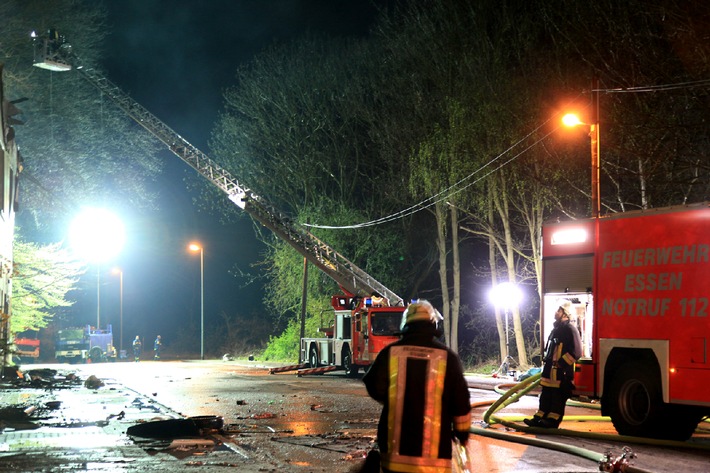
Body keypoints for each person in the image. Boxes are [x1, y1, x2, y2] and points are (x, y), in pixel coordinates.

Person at [363, 300, 472, 472]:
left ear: (406, 324)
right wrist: (462, 434)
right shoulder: (447, 357)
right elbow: (461, 404)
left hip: (394, 457)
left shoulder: (390, 353)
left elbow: (373, 385)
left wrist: (394, 400)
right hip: (435, 462)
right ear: (433, 323)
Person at [524, 299, 583, 429]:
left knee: (557, 398)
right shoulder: (556, 329)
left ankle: (552, 421)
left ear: (565, 313)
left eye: (558, 310)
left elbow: (577, 352)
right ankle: (540, 417)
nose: (555, 312)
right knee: (545, 395)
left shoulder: (570, 329)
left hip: (561, 373)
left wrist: (562, 363)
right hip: (550, 371)